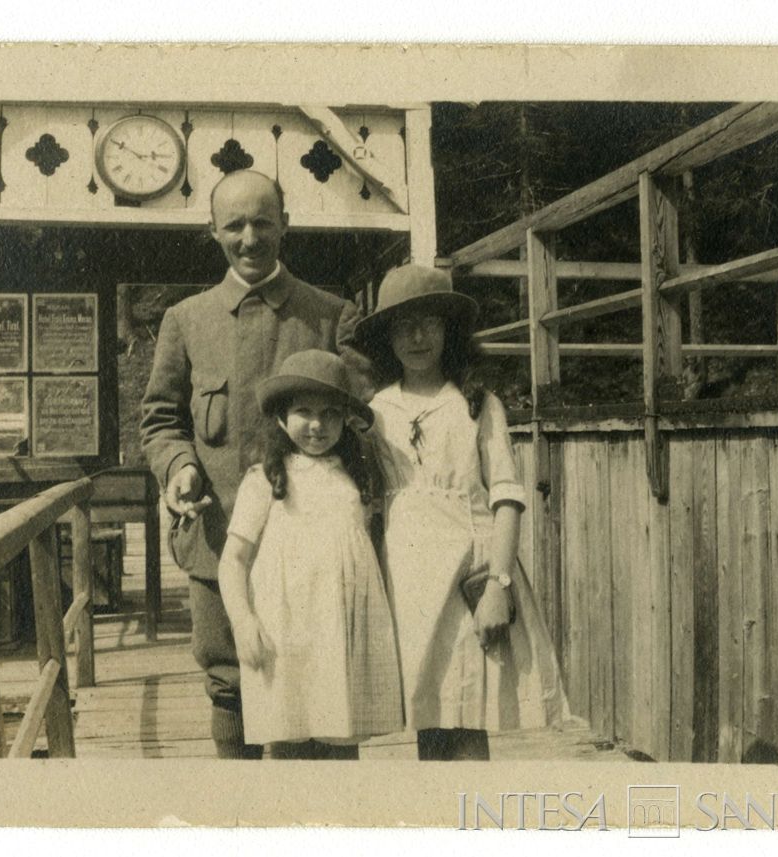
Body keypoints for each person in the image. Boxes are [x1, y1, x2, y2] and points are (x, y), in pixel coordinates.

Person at [140, 169, 365, 759]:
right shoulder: (185, 320)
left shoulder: (329, 314)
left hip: (313, 553)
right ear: (212, 230)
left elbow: (363, 421)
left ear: (285, 224)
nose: (249, 237)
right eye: (234, 224)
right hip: (220, 541)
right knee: (229, 682)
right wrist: (179, 466)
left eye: (263, 222)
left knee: (321, 689)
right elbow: (160, 421)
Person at [353, 264, 567, 761]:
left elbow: (508, 497)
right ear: (387, 336)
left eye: (429, 321)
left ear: (449, 330)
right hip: (409, 582)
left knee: (471, 714)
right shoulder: (376, 411)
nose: (417, 336)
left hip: (471, 574)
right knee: (430, 717)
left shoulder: (477, 404)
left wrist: (499, 584)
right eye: (403, 325)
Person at [218, 350, 403, 759]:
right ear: (282, 419)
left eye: (330, 414)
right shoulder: (265, 479)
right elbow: (233, 560)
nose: (317, 425)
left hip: (341, 635)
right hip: (287, 635)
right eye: (304, 411)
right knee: (290, 742)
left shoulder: (355, 476)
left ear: (344, 419)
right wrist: (243, 620)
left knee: (340, 741)